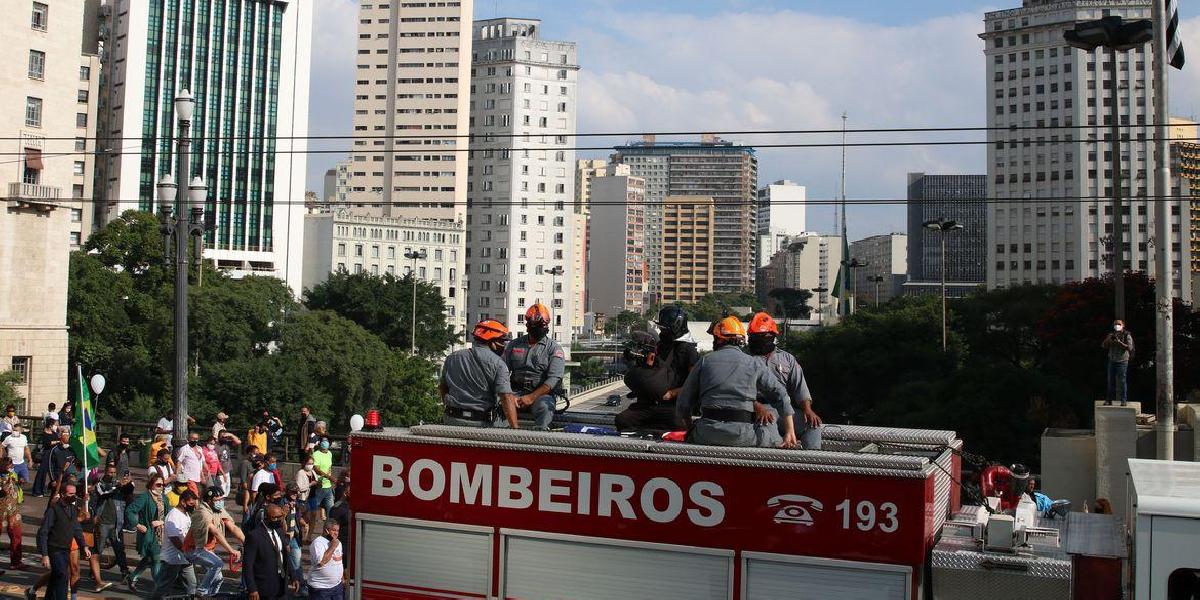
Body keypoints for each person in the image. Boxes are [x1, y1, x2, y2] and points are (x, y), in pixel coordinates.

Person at [675, 317, 798, 448]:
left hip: (706, 434)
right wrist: (790, 431)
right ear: (740, 340)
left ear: (719, 339)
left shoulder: (705, 361)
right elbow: (780, 394)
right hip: (743, 436)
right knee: (773, 437)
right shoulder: (753, 363)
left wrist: (690, 430)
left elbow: (683, 403)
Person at [746, 312, 824, 450]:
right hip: (758, 409)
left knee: (813, 425)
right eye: (753, 337)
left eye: (760, 337)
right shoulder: (744, 360)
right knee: (767, 427)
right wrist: (756, 406)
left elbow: (800, 387)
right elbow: (739, 390)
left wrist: (807, 410)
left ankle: (812, 461)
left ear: (772, 336)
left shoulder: (787, 359)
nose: (756, 340)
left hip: (785, 409)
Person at [440, 319, 520, 429]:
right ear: (492, 342)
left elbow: (443, 387)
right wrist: (515, 429)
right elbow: (506, 397)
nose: (504, 346)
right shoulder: (499, 364)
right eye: (502, 342)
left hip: (452, 419)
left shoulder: (452, 358)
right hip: (481, 422)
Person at [503, 303, 566, 430]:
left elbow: (554, 379)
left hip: (541, 394)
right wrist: (509, 396)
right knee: (497, 403)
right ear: (528, 326)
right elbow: (502, 371)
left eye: (544, 326)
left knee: (545, 406)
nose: (542, 328)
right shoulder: (513, 345)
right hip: (515, 392)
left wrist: (531, 397)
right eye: (538, 326)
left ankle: (539, 437)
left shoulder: (554, 349)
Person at [615, 330, 689, 432]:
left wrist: (672, 394)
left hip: (666, 408)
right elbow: (632, 379)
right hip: (644, 408)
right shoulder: (638, 370)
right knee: (622, 420)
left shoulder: (663, 368)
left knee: (678, 423)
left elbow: (651, 384)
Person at [35, 482, 90, 600]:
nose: (73, 496)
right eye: (70, 494)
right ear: (62, 494)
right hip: (54, 548)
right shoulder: (53, 510)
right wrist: (44, 555)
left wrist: (84, 546)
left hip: (65, 548)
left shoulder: (73, 509)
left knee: (56, 576)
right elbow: (44, 532)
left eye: (75, 494)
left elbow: (76, 528)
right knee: (63, 576)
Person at [190, 486, 243, 598]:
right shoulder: (202, 512)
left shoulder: (219, 510)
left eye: (221, 499)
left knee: (218, 579)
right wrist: (231, 550)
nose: (220, 502)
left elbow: (233, 527)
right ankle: (202, 591)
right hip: (194, 549)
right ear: (209, 501)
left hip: (208, 550)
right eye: (217, 500)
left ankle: (210, 596)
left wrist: (247, 543)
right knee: (218, 564)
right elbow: (216, 532)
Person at [244, 503, 298, 600]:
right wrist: (252, 588)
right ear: (266, 518)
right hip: (264, 587)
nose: (278, 520)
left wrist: (293, 576)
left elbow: (285, 556)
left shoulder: (279, 531)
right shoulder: (254, 536)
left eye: (280, 517)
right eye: (275, 518)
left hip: (281, 585)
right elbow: (248, 565)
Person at [150, 489, 198, 599]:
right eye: (191, 504)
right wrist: (186, 551)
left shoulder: (186, 514)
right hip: (172, 559)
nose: (193, 506)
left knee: (192, 584)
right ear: (183, 502)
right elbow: (175, 539)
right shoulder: (173, 516)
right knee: (164, 586)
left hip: (185, 557)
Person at [124, 473, 167, 591]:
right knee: (156, 558)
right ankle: (159, 588)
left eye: (163, 485)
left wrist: (161, 522)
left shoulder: (164, 498)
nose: (161, 487)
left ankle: (132, 577)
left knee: (149, 559)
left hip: (161, 534)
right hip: (149, 534)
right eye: (158, 485)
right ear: (151, 485)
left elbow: (168, 515)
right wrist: (137, 525)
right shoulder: (145, 497)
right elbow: (130, 511)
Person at [653, 306, 701, 407]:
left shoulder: (688, 349)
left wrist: (672, 393)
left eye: (664, 329)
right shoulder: (661, 345)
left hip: (677, 402)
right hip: (657, 398)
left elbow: (696, 383)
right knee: (625, 419)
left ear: (676, 327)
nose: (662, 332)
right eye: (660, 328)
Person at [92, 463, 132, 583]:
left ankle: (124, 572)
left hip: (116, 524)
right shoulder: (100, 484)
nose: (113, 475)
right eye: (110, 472)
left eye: (114, 473)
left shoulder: (118, 484)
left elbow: (129, 491)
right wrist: (118, 487)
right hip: (103, 522)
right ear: (105, 472)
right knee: (98, 549)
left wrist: (128, 483)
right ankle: (93, 571)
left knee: (119, 549)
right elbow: (104, 493)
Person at [308, 520, 345, 600]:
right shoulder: (318, 543)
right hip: (321, 588)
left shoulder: (338, 543)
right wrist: (332, 546)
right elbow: (321, 562)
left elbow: (339, 561)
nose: (336, 533)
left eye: (337, 530)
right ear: (326, 530)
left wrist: (341, 578)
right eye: (334, 530)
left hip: (337, 587)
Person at [1102, 319, 1134, 406]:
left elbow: (1130, 348)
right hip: (1112, 360)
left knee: (1122, 381)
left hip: (1122, 361)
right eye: (1115, 324)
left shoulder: (1127, 335)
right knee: (1110, 381)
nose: (1117, 326)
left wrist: (1119, 342)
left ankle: (1123, 400)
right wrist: (1109, 340)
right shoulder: (1111, 335)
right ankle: (1108, 400)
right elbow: (1104, 345)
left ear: (1123, 325)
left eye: (1119, 324)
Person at [1, 457, 24, 571]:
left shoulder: (12, 474)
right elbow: (4, 490)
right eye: (8, 466)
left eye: (11, 466)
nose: (11, 468)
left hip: (13, 511)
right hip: (1, 512)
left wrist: (19, 482)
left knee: (16, 535)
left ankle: (16, 562)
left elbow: (14, 486)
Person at [30, 417, 59, 496]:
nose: (55, 426)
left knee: (55, 472)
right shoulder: (44, 433)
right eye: (54, 424)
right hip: (47, 453)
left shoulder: (54, 433)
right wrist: (56, 441)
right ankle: (37, 491)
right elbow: (46, 443)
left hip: (54, 453)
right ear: (50, 425)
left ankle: (52, 489)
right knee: (42, 472)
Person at [310, 439, 336, 523]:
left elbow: (329, 467)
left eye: (326, 449)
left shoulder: (329, 453)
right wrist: (328, 476)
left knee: (331, 511)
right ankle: (310, 523)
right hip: (319, 486)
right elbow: (316, 469)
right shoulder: (316, 454)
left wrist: (329, 477)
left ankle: (328, 528)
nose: (325, 451)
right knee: (313, 509)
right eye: (324, 449)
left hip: (328, 486)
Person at [177, 431, 208, 496]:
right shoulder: (184, 449)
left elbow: (201, 463)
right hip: (189, 477)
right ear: (188, 439)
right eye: (193, 438)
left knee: (200, 494)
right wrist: (178, 476)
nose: (195, 440)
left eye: (196, 439)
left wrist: (204, 474)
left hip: (198, 477)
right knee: (195, 494)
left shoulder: (199, 449)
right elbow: (179, 462)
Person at [239, 445, 263, 515]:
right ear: (249, 453)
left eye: (258, 453)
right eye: (255, 453)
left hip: (255, 491)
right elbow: (244, 480)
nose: (256, 455)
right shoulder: (245, 463)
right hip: (248, 490)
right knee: (248, 512)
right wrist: (245, 504)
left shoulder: (257, 463)